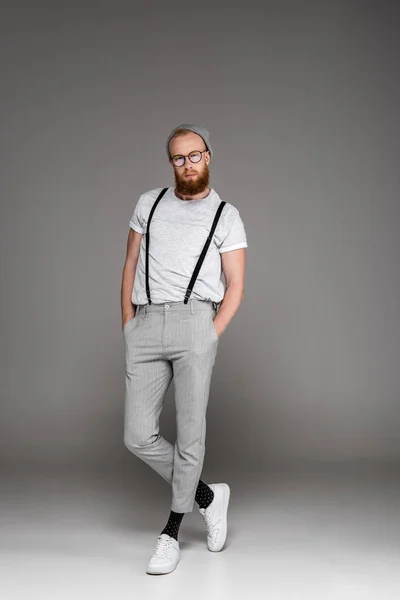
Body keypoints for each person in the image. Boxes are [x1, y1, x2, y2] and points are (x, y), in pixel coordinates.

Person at [120, 123, 247, 574]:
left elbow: (236, 285)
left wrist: (211, 332)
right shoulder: (148, 203)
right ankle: (209, 498)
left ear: (208, 156)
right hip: (147, 321)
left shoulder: (226, 214)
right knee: (137, 435)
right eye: (178, 158)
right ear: (170, 163)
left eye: (194, 156)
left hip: (197, 321)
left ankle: (171, 532)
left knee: (191, 434)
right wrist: (128, 325)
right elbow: (131, 262)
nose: (187, 164)